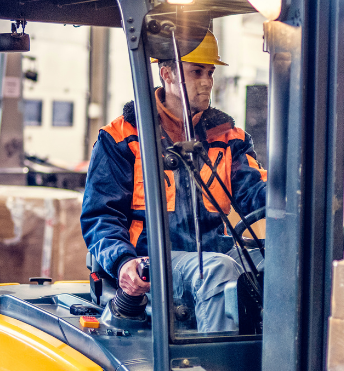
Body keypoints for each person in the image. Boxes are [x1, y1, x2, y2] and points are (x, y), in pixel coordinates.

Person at [81, 30, 267, 333]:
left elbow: (254, 193)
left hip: (211, 249)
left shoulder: (228, 137)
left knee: (279, 263)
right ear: (166, 73)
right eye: (196, 72)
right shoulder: (122, 137)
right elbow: (100, 216)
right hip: (150, 258)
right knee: (216, 271)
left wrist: (294, 192)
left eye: (210, 72)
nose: (207, 81)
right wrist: (122, 261)